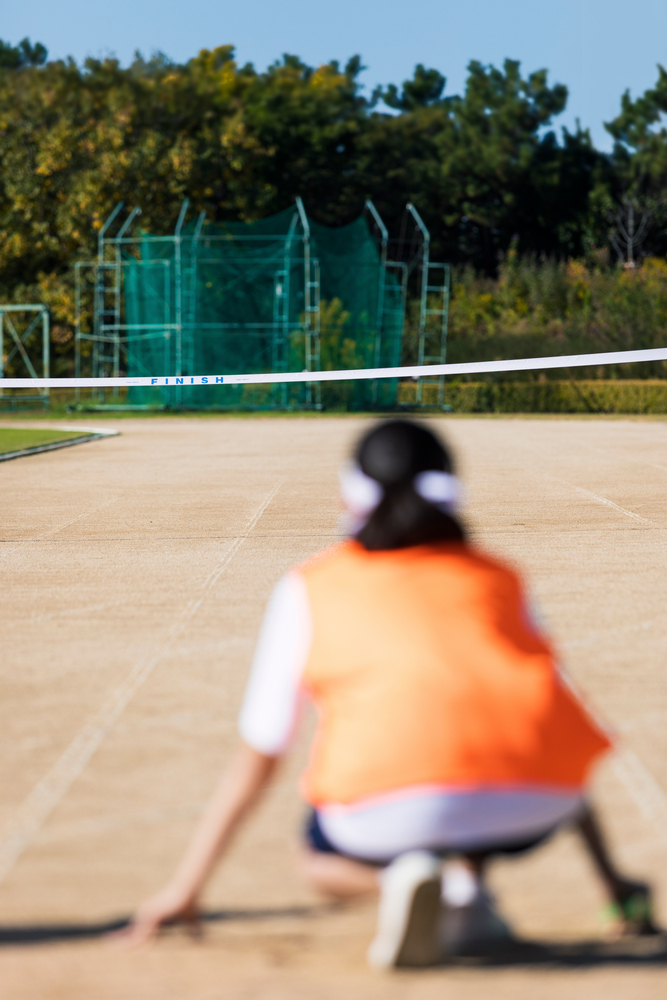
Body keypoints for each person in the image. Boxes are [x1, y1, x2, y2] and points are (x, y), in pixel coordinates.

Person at [121, 419, 658, 967]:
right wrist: (615, 884)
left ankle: (425, 890)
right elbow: (550, 706)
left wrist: (187, 886)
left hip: (384, 811)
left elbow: (262, 749)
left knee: (315, 860)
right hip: (538, 802)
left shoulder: (310, 585)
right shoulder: (501, 576)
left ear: (346, 493)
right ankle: (491, 890)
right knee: (518, 728)